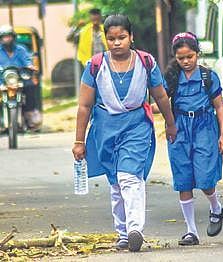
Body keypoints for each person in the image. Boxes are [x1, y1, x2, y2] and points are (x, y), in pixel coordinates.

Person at [72, 14, 176, 252]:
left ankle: (134, 229)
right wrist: (79, 141)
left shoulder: (146, 62)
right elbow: (84, 106)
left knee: (130, 176)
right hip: (105, 129)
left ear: (131, 37)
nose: (117, 43)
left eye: (122, 37)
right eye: (111, 39)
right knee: (116, 183)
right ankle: (121, 232)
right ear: (106, 40)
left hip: (136, 126)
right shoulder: (95, 65)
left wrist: (170, 123)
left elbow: (160, 96)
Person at [163, 32, 223, 246]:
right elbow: (162, 104)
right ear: (175, 57)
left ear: (197, 54)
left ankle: (216, 207)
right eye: (181, 58)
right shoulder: (171, 78)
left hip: (204, 128)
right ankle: (191, 231)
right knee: (183, 179)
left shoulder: (207, 77)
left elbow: (219, 107)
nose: (186, 62)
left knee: (205, 178)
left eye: (190, 56)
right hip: (179, 129)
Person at [0, 24, 42, 130]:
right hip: (2, 80)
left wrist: (30, 66)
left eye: (9, 36)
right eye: (4, 37)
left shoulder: (21, 49)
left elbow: (27, 61)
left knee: (31, 85)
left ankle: (30, 114)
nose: (7, 39)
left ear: (13, 37)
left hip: (19, 78)